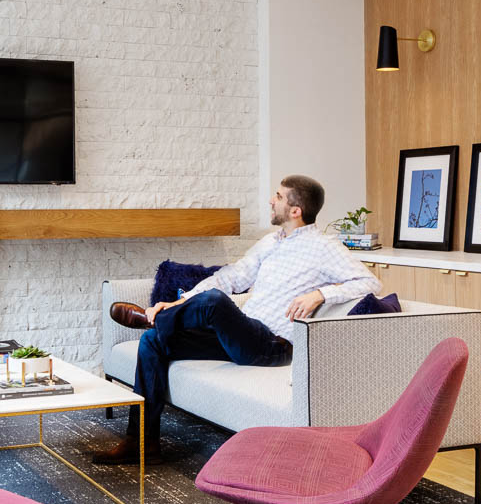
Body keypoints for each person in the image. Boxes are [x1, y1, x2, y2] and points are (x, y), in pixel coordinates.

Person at [95, 175, 379, 464]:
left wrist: (319, 294)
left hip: (272, 346)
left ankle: (154, 318)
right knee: (152, 341)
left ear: (296, 211)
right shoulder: (271, 243)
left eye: (278, 197)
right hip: (244, 334)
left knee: (215, 303)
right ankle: (142, 442)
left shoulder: (324, 247)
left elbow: (369, 283)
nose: (271, 200)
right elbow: (230, 277)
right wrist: (179, 301)